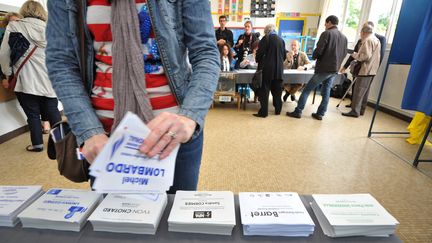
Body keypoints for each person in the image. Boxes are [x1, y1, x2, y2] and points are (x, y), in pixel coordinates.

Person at [45, 0, 219, 192]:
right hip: (104, 140)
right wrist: (89, 132)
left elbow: (205, 53)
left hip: (173, 136)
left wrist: (190, 116)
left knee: (175, 217)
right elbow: (61, 63)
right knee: (112, 219)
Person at [0, 1, 61, 152]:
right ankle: (62, 144)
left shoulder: (14, 26)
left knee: (32, 114)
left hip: (25, 79)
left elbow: (4, 54)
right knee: (53, 111)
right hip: (50, 78)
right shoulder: (52, 28)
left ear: (23, 10)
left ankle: (37, 145)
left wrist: (7, 73)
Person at [286, 15, 347, 120]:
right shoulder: (344, 37)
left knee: (306, 90)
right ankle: (320, 113)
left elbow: (319, 50)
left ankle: (298, 111)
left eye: (325, 23)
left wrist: (314, 56)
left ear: (329, 22)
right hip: (334, 69)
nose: (324, 25)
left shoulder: (326, 33)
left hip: (324, 69)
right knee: (326, 92)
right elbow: (344, 53)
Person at [340, 21, 386, 107]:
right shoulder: (372, 40)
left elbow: (367, 56)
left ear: (365, 31)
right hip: (364, 68)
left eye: (362, 30)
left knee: (360, 90)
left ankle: (355, 110)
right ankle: (358, 108)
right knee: (361, 90)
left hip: (366, 69)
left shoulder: (371, 40)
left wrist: (354, 54)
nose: (360, 33)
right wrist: (346, 66)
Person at [254, 24, 286, 118]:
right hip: (279, 70)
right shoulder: (281, 40)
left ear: (266, 31)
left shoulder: (266, 39)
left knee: (265, 90)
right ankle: (278, 110)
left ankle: (263, 112)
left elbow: (260, 53)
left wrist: (257, 59)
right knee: (277, 90)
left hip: (267, 69)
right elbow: (284, 55)